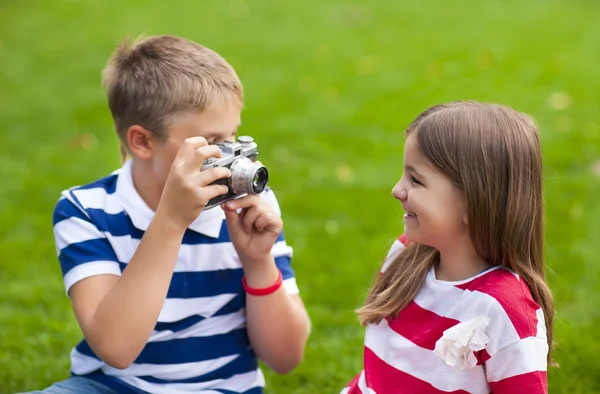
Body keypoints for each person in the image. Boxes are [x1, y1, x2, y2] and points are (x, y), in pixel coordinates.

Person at [27, 34, 310, 394]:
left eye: (235, 137)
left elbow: (286, 358)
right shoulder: (86, 210)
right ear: (142, 142)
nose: (234, 158)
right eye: (214, 142)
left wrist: (258, 262)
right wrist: (172, 221)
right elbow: (116, 348)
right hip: (110, 386)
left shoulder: (250, 207)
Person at [342, 101, 554, 394]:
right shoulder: (404, 256)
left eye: (415, 180)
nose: (397, 190)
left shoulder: (503, 311)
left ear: (473, 203)